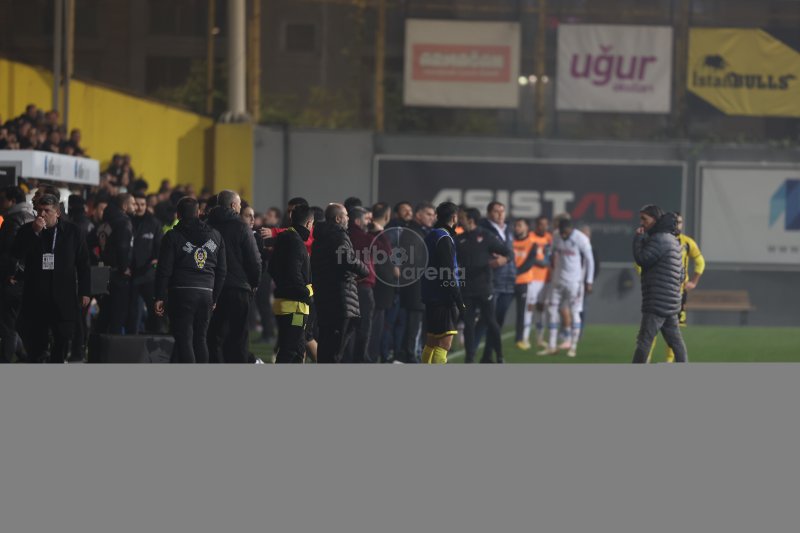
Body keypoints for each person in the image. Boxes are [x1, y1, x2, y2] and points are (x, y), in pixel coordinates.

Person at [12, 194, 91, 363]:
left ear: (57, 213)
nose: (42, 214)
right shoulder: (28, 230)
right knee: (36, 344)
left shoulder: (73, 232)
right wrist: (34, 232)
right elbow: (17, 252)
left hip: (63, 297)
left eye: (47, 210)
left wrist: (85, 291)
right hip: (36, 296)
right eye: (39, 210)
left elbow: (83, 264)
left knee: (61, 341)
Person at [155, 197, 226, 363]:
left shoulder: (172, 236)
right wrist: (214, 297)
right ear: (198, 212)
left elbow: (164, 269)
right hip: (206, 292)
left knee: (184, 338)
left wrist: (159, 296)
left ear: (178, 215)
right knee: (200, 338)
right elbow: (222, 270)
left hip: (181, 292)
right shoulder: (216, 235)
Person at [206, 190, 262, 363]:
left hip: (212, 288)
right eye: (239, 204)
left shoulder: (207, 225)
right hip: (238, 288)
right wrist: (254, 283)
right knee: (238, 338)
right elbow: (254, 261)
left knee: (213, 336)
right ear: (233, 205)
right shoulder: (241, 227)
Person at [311, 203, 369, 364]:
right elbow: (347, 259)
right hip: (340, 299)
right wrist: (364, 270)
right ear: (338, 218)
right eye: (345, 215)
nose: (348, 218)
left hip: (325, 297)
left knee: (325, 345)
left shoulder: (320, 238)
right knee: (335, 351)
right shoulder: (338, 235)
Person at [644, 211, 704, 363]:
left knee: (674, 330)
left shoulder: (687, 243)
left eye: (680, 222)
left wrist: (694, 281)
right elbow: (640, 262)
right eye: (675, 222)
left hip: (678, 293)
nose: (678, 225)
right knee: (651, 328)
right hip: (658, 291)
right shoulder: (657, 240)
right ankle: (646, 359)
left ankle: (670, 361)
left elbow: (700, 261)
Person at [632, 206, 688, 364]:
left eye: (644, 219)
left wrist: (638, 239)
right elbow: (681, 274)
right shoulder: (674, 240)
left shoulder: (658, 239)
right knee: (676, 343)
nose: (642, 223)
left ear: (655, 219)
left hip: (657, 302)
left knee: (644, 341)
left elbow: (642, 259)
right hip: (672, 303)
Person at [456, 208, 512, 364]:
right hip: (466, 289)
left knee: (491, 322)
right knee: (468, 324)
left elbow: (508, 252)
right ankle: (469, 358)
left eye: (462, 218)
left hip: (484, 288)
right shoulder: (459, 239)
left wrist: (503, 260)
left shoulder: (486, 236)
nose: (460, 221)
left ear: (470, 220)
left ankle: (499, 355)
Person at [539, 218, 594, 358]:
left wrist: (589, 281)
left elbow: (590, 260)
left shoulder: (581, 239)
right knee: (551, 310)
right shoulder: (556, 236)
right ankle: (552, 345)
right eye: (561, 232)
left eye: (565, 232)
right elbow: (550, 251)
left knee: (575, 312)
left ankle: (573, 346)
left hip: (575, 283)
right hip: (557, 280)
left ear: (571, 229)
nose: (563, 235)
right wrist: (548, 255)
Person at [269, 204, 314, 364]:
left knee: (298, 350)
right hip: (295, 308)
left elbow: (272, 268)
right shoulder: (295, 242)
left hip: (285, 303)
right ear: (309, 223)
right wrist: (306, 294)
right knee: (290, 350)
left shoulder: (285, 238)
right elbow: (294, 274)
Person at [420, 202, 465, 364]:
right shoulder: (444, 238)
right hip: (443, 298)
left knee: (431, 342)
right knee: (444, 344)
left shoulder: (431, 235)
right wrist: (458, 299)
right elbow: (447, 272)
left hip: (430, 294)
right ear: (454, 217)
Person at [475, 201, 516, 361]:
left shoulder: (508, 229)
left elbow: (510, 252)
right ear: (489, 213)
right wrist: (490, 257)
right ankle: (470, 354)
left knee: (497, 322)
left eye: (502, 211)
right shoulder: (482, 229)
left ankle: (487, 356)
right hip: (491, 280)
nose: (500, 214)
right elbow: (477, 251)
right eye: (496, 211)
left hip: (508, 280)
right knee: (486, 320)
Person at [0, 186, 35, 363]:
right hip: (26, 278)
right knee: (13, 322)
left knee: (8, 323)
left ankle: (5, 361)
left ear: (12, 201)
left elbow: (8, 253)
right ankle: (26, 356)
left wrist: (10, 274)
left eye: (2, 199)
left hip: (12, 279)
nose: (1, 203)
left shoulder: (13, 220)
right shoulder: (32, 216)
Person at [396, 202, 435, 363]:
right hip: (415, 288)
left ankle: (410, 354)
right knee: (414, 325)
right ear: (418, 215)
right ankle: (410, 356)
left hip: (420, 287)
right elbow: (414, 261)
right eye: (428, 214)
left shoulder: (421, 232)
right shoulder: (412, 233)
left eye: (433, 215)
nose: (432, 218)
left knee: (415, 325)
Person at [97, 193, 135, 334]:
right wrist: (124, 268)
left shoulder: (106, 221)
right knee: (118, 314)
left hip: (102, 271)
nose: (135, 207)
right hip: (118, 273)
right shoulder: (123, 222)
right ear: (124, 206)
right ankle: (114, 345)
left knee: (104, 312)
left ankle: (96, 344)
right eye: (133, 204)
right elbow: (123, 246)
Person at [512, 216, 552, 351]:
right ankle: (525, 337)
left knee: (541, 308)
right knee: (529, 307)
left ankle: (540, 338)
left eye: (545, 224)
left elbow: (550, 256)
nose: (543, 227)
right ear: (536, 225)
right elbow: (532, 257)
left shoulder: (549, 238)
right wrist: (539, 261)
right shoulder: (531, 237)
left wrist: (547, 261)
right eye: (541, 224)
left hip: (545, 278)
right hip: (532, 278)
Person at [344, 206, 377, 363]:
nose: (369, 222)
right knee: (363, 326)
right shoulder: (364, 237)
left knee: (348, 325)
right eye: (366, 219)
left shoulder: (345, 235)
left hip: (347, 286)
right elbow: (386, 249)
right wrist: (379, 230)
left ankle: (346, 358)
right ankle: (360, 358)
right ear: (357, 221)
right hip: (363, 287)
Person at [127, 192, 163, 334]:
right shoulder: (127, 221)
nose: (140, 207)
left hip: (149, 275)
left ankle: (155, 338)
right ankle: (131, 340)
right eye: (137, 204)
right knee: (132, 311)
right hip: (131, 274)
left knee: (154, 310)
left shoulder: (154, 223)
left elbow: (159, 246)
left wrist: (156, 259)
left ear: (146, 205)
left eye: (143, 204)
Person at [368, 202, 397, 363]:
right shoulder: (379, 235)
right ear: (387, 215)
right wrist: (393, 270)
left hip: (373, 286)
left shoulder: (371, 232)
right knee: (375, 326)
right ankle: (370, 358)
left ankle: (371, 356)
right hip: (378, 288)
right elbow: (385, 257)